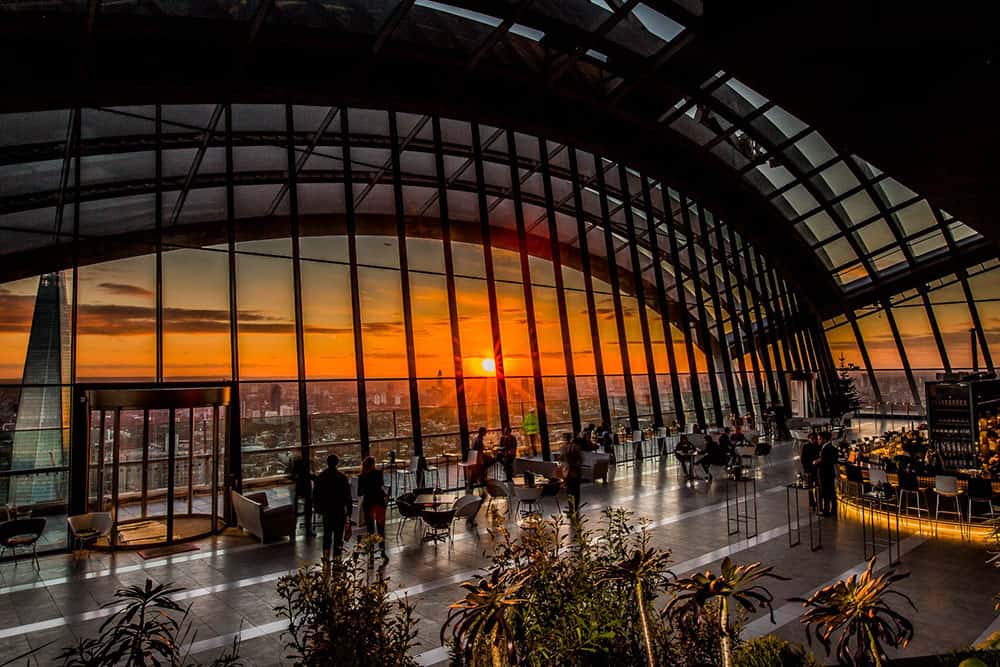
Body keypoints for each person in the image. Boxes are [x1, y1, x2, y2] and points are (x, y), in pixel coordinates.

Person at [312, 454, 353, 560]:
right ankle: (337, 557)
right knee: (338, 537)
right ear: (337, 463)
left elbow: (315, 495)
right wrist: (349, 512)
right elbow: (348, 496)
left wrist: (318, 509)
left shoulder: (321, 477)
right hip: (339, 511)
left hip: (327, 511)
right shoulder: (342, 477)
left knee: (327, 535)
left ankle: (326, 557)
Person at [357, 456, 389, 562]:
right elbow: (381, 486)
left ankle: (371, 551)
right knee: (380, 529)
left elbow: (359, 492)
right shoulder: (378, 474)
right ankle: (382, 551)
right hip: (379, 502)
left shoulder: (361, 476)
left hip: (368, 503)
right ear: (373, 464)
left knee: (370, 530)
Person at [290, 456, 315, 537]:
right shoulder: (308, 463)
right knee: (308, 507)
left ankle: (293, 530)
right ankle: (308, 529)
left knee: (297, 507)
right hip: (306, 487)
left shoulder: (296, 463)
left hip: (298, 487)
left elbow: (292, 476)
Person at [561, 435, 585, 513]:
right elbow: (581, 459)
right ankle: (575, 507)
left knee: (569, 490)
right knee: (576, 490)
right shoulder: (576, 447)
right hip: (576, 471)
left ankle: (572, 507)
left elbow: (562, 458)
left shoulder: (564, 448)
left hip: (568, 471)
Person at [817, 432, 839, 517]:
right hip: (830, 474)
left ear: (824, 439)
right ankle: (833, 509)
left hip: (825, 474)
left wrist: (817, 462)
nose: (818, 441)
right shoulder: (832, 447)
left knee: (826, 493)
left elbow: (825, 462)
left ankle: (826, 510)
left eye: (819, 439)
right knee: (832, 492)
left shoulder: (827, 449)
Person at [800, 432, 821, 509]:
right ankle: (813, 503)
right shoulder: (815, 446)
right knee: (812, 488)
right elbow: (803, 459)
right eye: (811, 438)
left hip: (814, 470)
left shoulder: (817, 446)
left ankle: (816, 502)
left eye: (813, 438)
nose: (812, 440)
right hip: (811, 470)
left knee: (815, 487)